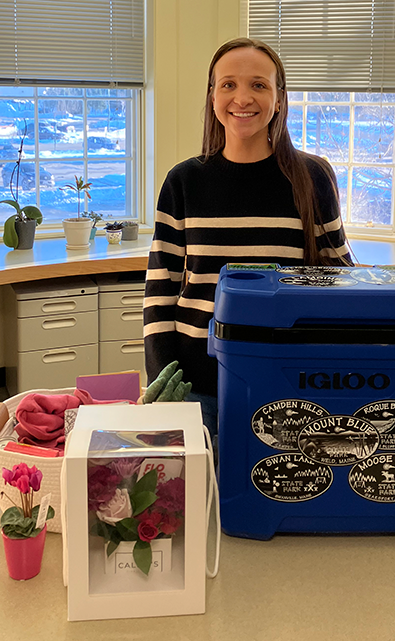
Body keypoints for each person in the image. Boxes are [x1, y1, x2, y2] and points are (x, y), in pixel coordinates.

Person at [143, 38, 352, 435]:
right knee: (200, 496)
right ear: (212, 96)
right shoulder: (183, 182)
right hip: (196, 383)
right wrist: (162, 373)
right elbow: (160, 290)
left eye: (258, 85)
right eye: (228, 85)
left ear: (278, 98)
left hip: (290, 382)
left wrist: (392, 279)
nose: (243, 98)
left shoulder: (312, 179)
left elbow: (341, 278)